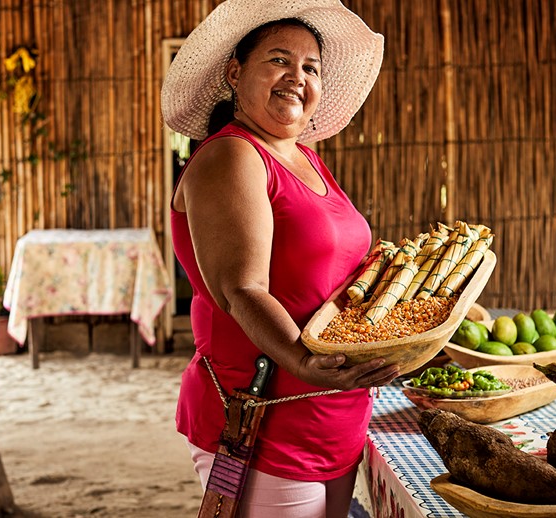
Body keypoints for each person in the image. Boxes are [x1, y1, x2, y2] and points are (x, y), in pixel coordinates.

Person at [160, 1, 396, 516]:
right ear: (234, 73)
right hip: (262, 418)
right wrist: (306, 362)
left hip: (333, 412)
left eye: (311, 68)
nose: (297, 76)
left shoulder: (305, 157)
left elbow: (336, 277)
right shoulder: (232, 156)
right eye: (279, 60)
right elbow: (241, 289)